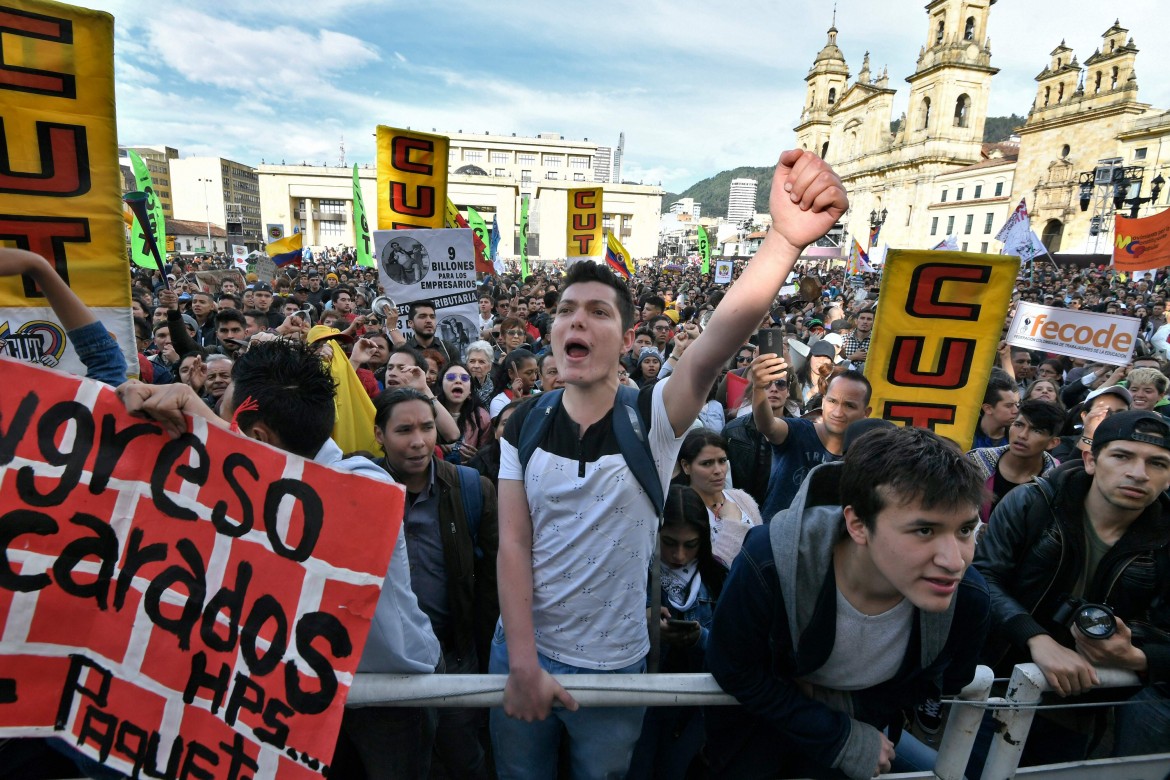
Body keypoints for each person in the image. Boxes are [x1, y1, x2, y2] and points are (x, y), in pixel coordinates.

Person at [491, 149, 848, 780]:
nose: (578, 318)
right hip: (521, 651)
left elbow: (717, 342)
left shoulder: (650, 419)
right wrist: (521, 658)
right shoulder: (522, 423)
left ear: (628, 340)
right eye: (567, 310)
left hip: (614, 664)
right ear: (551, 334)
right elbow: (513, 544)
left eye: (599, 311)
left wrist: (784, 241)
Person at [115, 341, 442, 780]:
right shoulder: (246, 489)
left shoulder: (366, 485)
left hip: (393, 694)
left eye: (230, 424)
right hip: (299, 693)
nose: (220, 432)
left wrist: (207, 420)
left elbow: (304, 506)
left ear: (257, 438)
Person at [704, 426, 990, 779]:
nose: (954, 561)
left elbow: (944, 679)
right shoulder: (769, 562)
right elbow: (732, 665)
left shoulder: (969, 598)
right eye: (925, 531)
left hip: (867, 746)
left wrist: (851, 711)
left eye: (965, 530)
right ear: (857, 524)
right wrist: (835, 731)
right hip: (756, 745)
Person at [972, 410, 1170, 770]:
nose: (1139, 474)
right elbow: (984, 577)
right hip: (999, 682)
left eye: (1157, 463)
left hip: (1085, 706)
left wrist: (1137, 658)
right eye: (1122, 456)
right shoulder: (1033, 503)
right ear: (1091, 460)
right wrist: (1036, 638)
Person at [373, 387, 498, 780]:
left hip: (455, 655)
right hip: (384, 664)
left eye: (427, 428)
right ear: (379, 434)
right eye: (404, 430)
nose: (418, 441)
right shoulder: (358, 486)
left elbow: (494, 583)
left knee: (465, 760)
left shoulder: (471, 489)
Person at [626, 485, 727, 780]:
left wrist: (699, 638)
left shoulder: (718, 578)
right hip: (641, 704)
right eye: (669, 542)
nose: (679, 555)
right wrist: (639, 623)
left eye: (690, 544)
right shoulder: (631, 573)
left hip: (695, 711)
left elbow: (732, 649)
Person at [750, 356, 872, 521]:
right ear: (823, 402)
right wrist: (758, 388)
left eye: (849, 405)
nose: (838, 412)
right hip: (773, 537)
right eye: (832, 401)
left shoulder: (865, 456)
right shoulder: (798, 431)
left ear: (866, 413)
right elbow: (767, 425)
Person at [675, 429, 763, 567]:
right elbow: (710, 572)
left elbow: (761, 547)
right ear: (686, 466)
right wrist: (732, 523)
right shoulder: (682, 512)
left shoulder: (742, 498)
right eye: (707, 463)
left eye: (722, 461)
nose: (718, 470)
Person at [965, 399, 1063, 521]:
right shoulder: (976, 461)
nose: (1022, 435)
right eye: (1018, 425)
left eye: (1036, 430)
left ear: (1053, 443)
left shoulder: (1056, 479)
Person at [436, 362, 492, 463]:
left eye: (465, 378)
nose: (458, 381)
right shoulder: (429, 410)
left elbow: (488, 455)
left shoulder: (482, 418)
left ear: (470, 390)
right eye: (451, 377)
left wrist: (477, 458)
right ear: (441, 385)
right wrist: (436, 447)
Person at [404, 300, 461, 366]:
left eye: (432, 317)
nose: (429, 321)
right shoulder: (404, 351)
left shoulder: (448, 349)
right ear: (411, 323)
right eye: (422, 316)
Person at [972, 370, 1020, 449]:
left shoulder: (1019, 438)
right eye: (1009, 406)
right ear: (988, 409)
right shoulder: (966, 437)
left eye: (1016, 405)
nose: (1016, 411)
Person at [489, 348, 538, 417]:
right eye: (528, 373)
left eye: (536, 372)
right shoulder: (499, 401)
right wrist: (515, 401)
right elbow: (505, 426)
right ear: (511, 373)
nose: (534, 378)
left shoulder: (539, 394)